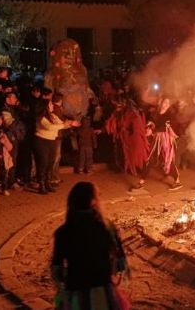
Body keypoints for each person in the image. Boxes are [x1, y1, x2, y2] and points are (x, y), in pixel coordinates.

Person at [51, 181, 129, 310]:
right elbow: (121, 262)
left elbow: (57, 268)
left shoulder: (63, 232)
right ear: (93, 202)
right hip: (102, 292)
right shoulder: (106, 227)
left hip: (75, 291)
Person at [35, 98, 80, 194]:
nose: (52, 106)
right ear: (45, 107)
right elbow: (50, 127)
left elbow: (60, 124)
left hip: (52, 141)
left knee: (50, 162)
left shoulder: (52, 116)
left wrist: (71, 123)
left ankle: (47, 183)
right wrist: (64, 125)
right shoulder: (41, 117)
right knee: (43, 163)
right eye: (50, 105)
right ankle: (41, 185)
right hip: (42, 141)